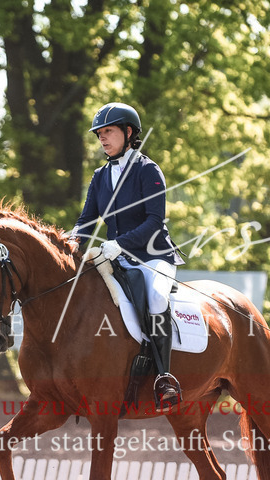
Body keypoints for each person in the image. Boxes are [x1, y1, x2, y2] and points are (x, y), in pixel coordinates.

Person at [70, 102, 184, 410]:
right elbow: (87, 219)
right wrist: (71, 241)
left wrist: (120, 243)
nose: (103, 139)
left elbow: (154, 220)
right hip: (114, 258)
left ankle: (164, 377)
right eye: (99, 134)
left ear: (129, 132)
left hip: (153, 257)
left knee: (158, 298)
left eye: (108, 132)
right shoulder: (100, 176)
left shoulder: (148, 170)